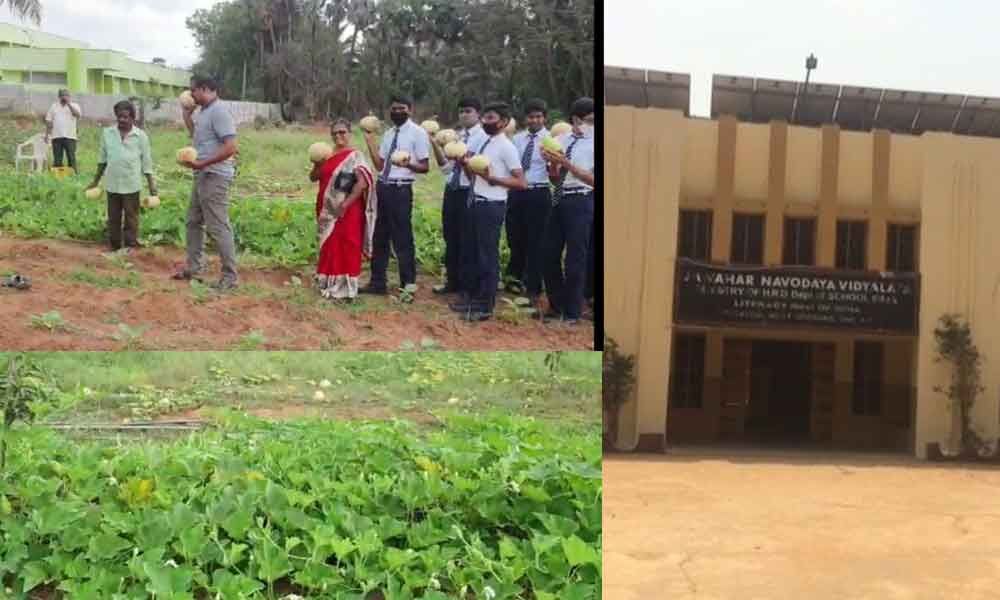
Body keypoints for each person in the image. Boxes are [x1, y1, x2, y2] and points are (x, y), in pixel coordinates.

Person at [450, 101, 527, 322]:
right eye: (485, 117)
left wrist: (494, 179)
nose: (485, 121)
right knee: (472, 252)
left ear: (503, 122)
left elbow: (521, 182)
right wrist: (463, 162)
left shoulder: (507, 147)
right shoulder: (484, 141)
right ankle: (472, 299)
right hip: (474, 201)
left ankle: (486, 305)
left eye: (491, 118)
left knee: (487, 256)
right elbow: (473, 173)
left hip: (491, 205)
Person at [173, 76, 240, 291]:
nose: (191, 95)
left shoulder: (219, 111)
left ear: (204, 89)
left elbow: (231, 147)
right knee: (193, 221)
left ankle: (230, 277)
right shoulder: (204, 112)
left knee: (218, 226)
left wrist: (203, 163)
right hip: (203, 174)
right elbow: (197, 137)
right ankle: (194, 267)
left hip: (215, 175)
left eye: (193, 91)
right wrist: (187, 115)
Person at [362, 94, 431, 295]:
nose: (397, 112)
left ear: (410, 110)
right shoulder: (389, 134)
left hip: (401, 189)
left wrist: (407, 163)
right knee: (379, 236)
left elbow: (425, 166)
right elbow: (380, 165)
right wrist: (370, 141)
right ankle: (377, 282)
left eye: (402, 108)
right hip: (383, 187)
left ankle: (407, 285)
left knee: (402, 238)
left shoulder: (418, 133)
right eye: (394, 109)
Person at [540, 96, 595, 324]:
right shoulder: (560, 139)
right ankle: (557, 304)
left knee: (575, 259)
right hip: (559, 198)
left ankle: (572, 312)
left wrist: (567, 164)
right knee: (548, 253)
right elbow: (554, 179)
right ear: (576, 119)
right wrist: (553, 164)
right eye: (590, 120)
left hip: (581, 200)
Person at [310, 118, 378, 301]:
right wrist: (317, 163)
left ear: (349, 133)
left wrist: (345, 204)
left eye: (342, 132)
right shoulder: (326, 154)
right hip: (327, 209)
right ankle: (327, 282)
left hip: (348, 209)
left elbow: (362, 183)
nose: (338, 135)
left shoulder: (355, 156)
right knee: (329, 245)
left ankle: (345, 289)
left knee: (348, 245)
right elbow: (313, 177)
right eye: (335, 133)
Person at [429, 97, 486, 296]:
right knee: (450, 236)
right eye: (461, 111)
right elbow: (446, 169)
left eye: (468, 111)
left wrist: (464, 162)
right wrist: (435, 144)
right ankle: (452, 281)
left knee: (467, 238)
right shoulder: (456, 137)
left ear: (478, 114)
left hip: (469, 191)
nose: (464, 115)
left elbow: (479, 170)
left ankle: (467, 285)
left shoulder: (483, 137)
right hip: (452, 189)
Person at [86, 100, 157, 253]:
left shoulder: (140, 136)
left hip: (131, 183)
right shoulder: (108, 133)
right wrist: (95, 181)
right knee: (113, 217)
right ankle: (115, 245)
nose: (121, 120)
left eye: (125, 117)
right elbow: (102, 160)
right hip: (112, 183)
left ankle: (130, 246)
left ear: (132, 118)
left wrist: (152, 185)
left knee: (131, 217)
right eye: (119, 117)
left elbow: (147, 162)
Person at [506, 98, 552, 304]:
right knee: (515, 236)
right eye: (531, 116)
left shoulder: (551, 140)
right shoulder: (517, 139)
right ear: (525, 119)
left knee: (537, 239)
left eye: (538, 116)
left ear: (544, 118)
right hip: (517, 192)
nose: (534, 120)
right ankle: (514, 279)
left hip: (538, 192)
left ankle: (533, 285)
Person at [44, 89, 81, 172]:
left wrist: (68, 104)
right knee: (57, 160)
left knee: (71, 157)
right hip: (56, 137)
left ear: (69, 97)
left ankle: (73, 175)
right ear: (59, 97)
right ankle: (59, 177)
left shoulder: (75, 105)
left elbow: (77, 115)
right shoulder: (54, 106)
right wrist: (47, 134)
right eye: (62, 96)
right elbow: (48, 121)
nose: (64, 97)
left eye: (66, 96)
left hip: (70, 136)